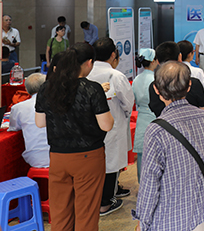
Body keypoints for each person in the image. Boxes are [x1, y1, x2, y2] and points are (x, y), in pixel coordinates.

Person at [35, 43, 114, 231]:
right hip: (88, 157)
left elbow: (40, 122)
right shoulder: (92, 89)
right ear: (89, 63)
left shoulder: (48, 87)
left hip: (58, 156)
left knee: (60, 211)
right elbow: (106, 125)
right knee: (86, 212)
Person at [132, 61, 204, 231]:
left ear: (156, 90)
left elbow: (150, 182)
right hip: (199, 210)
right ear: (189, 86)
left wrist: (142, 221)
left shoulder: (156, 129)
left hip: (167, 216)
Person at [87, 37, 135, 215]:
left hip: (91, 126)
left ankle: (114, 188)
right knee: (112, 162)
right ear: (113, 54)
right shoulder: (116, 75)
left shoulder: (87, 73)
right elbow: (128, 102)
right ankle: (105, 202)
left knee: (105, 161)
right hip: (113, 123)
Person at [148, 41, 204, 116]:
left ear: (157, 61)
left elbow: (155, 110)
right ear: (180, 57)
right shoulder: (194, 83)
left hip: (165, 123)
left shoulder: (154, 86)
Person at [9, 73, 50, 168]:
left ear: (26, 90)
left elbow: (13, 127)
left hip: (36, 158)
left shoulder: (18, 108)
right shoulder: (60, 104)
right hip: (63, 157)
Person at [132, 48, 159, 182]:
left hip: (141, 117)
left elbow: (134, 100)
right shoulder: (155, 79)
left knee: (142, 155)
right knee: (156, 154)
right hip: (155, 117)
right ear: (153, 61)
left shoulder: (137, 79)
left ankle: (142, 184)